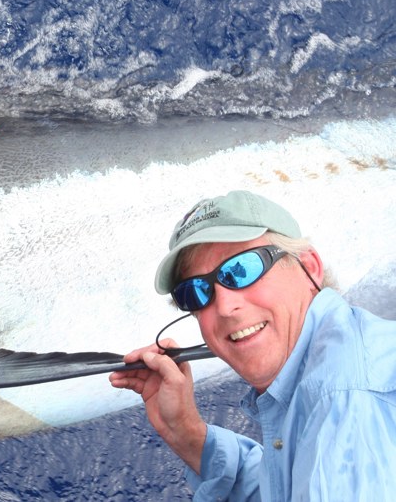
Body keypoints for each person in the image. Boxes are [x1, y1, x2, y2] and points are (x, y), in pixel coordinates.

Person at [110, 190, 396, 500]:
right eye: (196, 291)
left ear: (308, 266)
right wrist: (184, 429)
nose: (223, 306)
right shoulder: (325, 370)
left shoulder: (346, 401)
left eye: (242, 269)